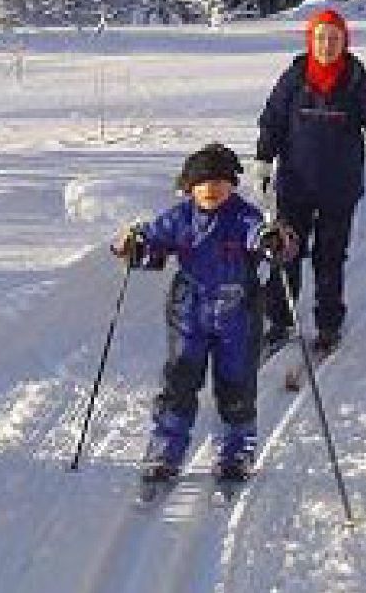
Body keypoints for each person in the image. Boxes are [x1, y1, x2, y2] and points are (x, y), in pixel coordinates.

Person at [112, 143, 297, 485]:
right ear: (189, 187)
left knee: (236, 383)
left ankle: (236, 451)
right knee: (179, 380)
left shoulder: (244, 216)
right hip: (189, 313)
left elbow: (262, 237)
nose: (211, 190)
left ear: (232, 185)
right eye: (203, 184)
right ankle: (166, 450)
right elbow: (152, 243)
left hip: (237, 313)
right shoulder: (180, 217)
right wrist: (134, 246)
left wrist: (274, 242)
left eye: (219, 183)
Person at [253, 8, 366, 358]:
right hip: (294, 184)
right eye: (321, 38)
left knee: (329, 257)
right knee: (286, 254)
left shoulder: (355, 75)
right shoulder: (296, 75)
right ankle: (280, 322)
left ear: (344, 41)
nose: (327, 45)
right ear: (310, 40)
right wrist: (262, 160)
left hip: (338, 187)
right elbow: (272, 120)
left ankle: (328, 325)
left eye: (334, 38)